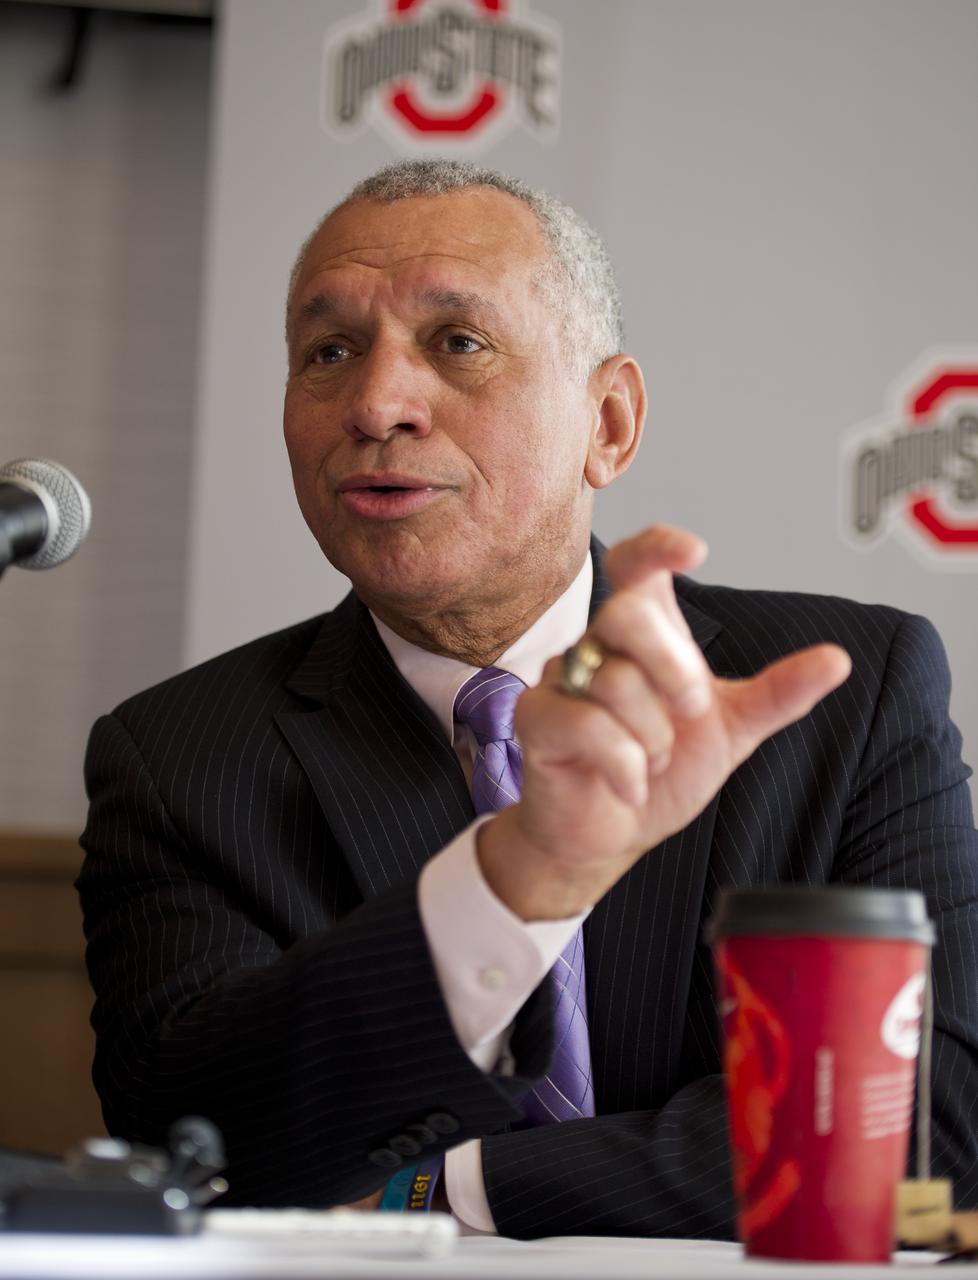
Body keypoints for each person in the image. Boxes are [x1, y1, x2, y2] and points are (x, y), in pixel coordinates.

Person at [77, 159, 978, 1238]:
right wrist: (520, 880)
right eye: (329, 351)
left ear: (608, 420)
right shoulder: (178, 756)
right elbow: (197, 1145)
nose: (375, 402)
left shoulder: (844, 689)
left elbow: (935, 1126)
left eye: (457, 342)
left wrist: (455, 1186)